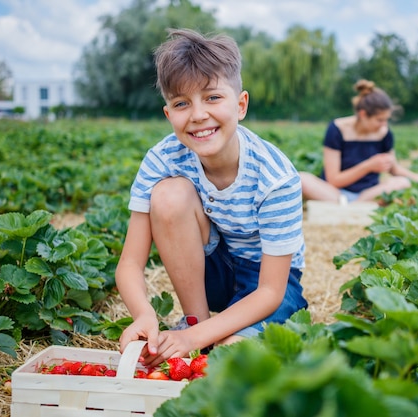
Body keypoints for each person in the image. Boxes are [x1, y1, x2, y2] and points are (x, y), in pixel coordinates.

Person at [116, 28, 307, 368]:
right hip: (211, 272)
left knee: (231, 356)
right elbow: (130, 263)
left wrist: (190, 343)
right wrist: (144, 315)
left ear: (241, 104)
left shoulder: (276, 177)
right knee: (169, 195)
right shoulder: (162, 159)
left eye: (212, 98)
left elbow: (269, 291)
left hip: (266, 282)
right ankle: (196, 320)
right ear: (168, 114)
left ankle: (204, 337)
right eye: (181, 103)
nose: (198, 114)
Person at [300, 79, 418, 204]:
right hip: (334, 192)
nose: (384, 125)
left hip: (368, 193)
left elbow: (394, 169)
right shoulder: (337, 129)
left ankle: (352, 205)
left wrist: (416, 178)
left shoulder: (385, 134)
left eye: (386, 120)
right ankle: (356, 205)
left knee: (403, 182)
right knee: (301, 179)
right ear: (363, 114)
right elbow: (333, 180)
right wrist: (369, 166)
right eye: (380, 120)